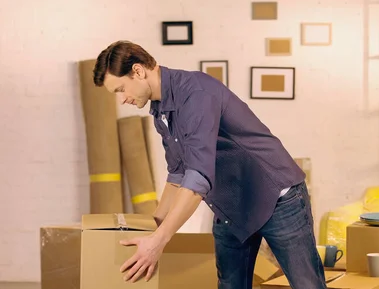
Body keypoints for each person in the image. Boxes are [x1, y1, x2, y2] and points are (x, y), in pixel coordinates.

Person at [91, 40, 327, 289]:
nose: (122, 100)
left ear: (138, 71)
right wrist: (154, 226)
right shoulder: (161, 110)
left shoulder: (196, 94)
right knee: (229, 285)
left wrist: (159, 240)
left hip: (277, 197)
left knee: (306, 285)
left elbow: (198, 178)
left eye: (120, 89)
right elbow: (178, 173)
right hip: (232, 207)